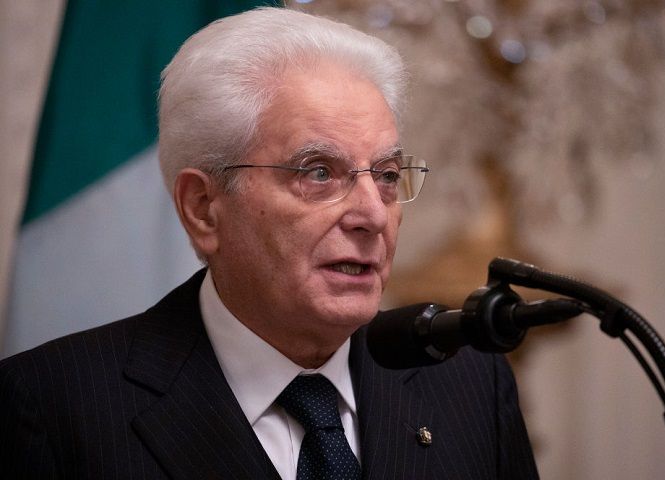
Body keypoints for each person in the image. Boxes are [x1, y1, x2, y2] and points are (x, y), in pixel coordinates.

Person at [0, 7, 538, 479]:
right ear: (203, 208)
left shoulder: (470, 386)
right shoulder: (51, 407)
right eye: (319, 172)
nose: (374, 216)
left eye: (387, 176)